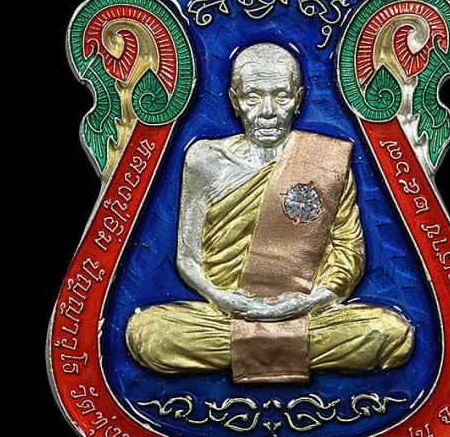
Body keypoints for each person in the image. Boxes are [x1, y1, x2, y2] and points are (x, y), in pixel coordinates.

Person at [126, 43, 414, 381]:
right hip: (225, 315)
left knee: (390, 332)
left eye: (281, 96)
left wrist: (305, 304)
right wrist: (224, 299)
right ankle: (284, 350)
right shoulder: (205, 159)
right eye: (252, 97)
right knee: (148, 334)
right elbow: (188, 259)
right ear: (234, 101)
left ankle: (256, 349)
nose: (267, 112)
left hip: (307, 315)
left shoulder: (326, 162)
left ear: (298, 99)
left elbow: (349, 259)